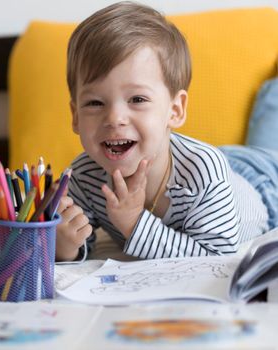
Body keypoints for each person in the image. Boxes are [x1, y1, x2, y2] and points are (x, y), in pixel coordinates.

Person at [65, 1, 278, 259]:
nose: (114, 118)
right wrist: (65, 244)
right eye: (95, 103)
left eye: (137, 100)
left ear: (175, 110)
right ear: (75, 116)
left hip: (263, 184)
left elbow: (216, 257)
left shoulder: (204, 173)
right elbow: (79, 242)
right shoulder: (85, 176)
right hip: (214, 162)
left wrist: (134, 223)